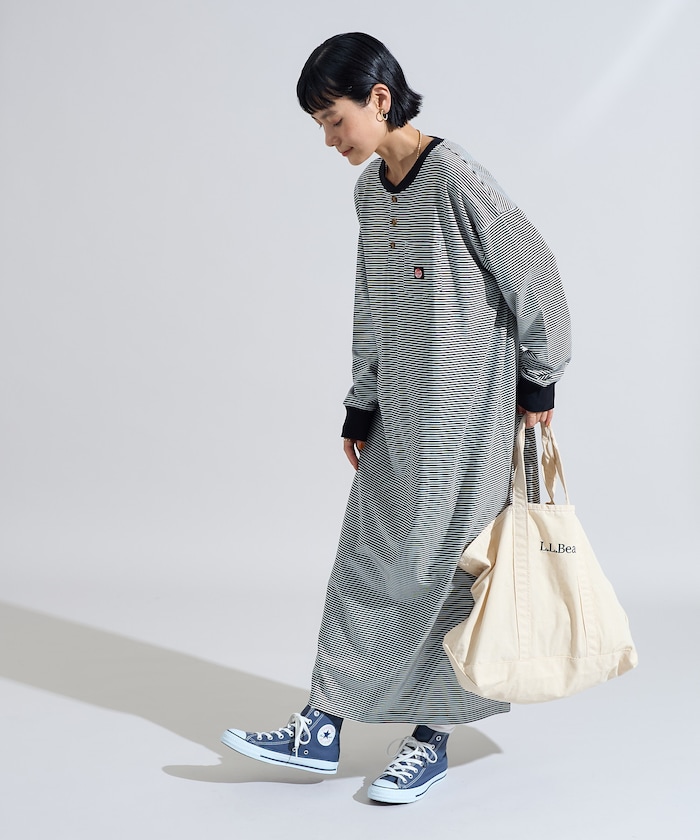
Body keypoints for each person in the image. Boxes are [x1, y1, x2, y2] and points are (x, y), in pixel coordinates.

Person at [221, 32, 571, 804]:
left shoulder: (456, 176)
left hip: (471, 414)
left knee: (448, 569)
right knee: (364, 556)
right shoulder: (369, 191)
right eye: (319, 124)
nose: (329, 138)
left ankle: (431, 740)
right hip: (403, 410)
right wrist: (362, 398)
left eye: (333, 118)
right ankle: (321, 726)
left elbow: (536, 270)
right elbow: (371, 300)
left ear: (380, 99)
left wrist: (540, 382)